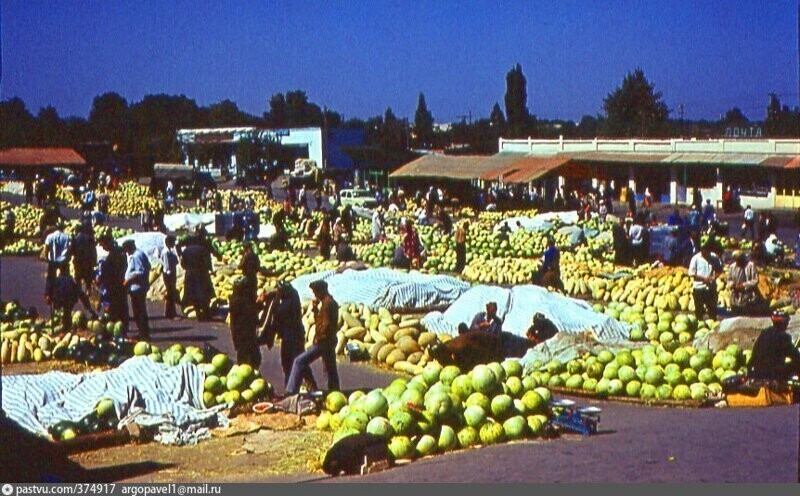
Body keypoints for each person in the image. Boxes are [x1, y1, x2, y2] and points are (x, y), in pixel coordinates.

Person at [285, 281, 340, 395]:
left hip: (323, 342)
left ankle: (291, 391)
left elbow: (326, 325)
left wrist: (318, 339)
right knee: (330, 369)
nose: (314, 295)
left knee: (299, 361)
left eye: (315, 292)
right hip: (328, 341)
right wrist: (315, 311)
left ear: (321, 291)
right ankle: (334, 392)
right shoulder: (327, 303)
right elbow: (321, 322)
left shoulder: (328, 304)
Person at [266, 282, 317, 389]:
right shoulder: (293, 295)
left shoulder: (287, 305)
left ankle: (292, 387)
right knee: (296, 362)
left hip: (292, 338)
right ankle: (298, 385)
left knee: (293, 362)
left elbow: (276, 316)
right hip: (293, 336)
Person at [747, 311, 800, 382]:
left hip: (757, 373)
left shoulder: (764, 333)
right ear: (785, 323)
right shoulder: (784, 337)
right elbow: (795, 356)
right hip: (772, 375)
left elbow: (753, 357)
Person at [47, 266, 97, 331]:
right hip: (67, 299)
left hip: (61, 299)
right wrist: (91, 310)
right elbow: (81, 295)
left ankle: (62, 324)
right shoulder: (70, 280)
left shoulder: (58, 280)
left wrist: (49, 295)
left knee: (65, 311)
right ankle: (65, 325)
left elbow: (50, 291)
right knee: (67, 311)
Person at [178, 235, 215, 321]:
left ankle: (198, 314)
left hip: (190, 275)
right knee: (204, 295)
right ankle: (206, 314)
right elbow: (207, 263)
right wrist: (209, 269)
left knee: (193, 295)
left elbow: (183, 264)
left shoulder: (186, 251)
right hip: (202, 274)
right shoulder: (203, 250)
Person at [97, 235, 129, 332]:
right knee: (122, 306)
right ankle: (122, 327)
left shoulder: (113, 255)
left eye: (103, 245)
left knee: (116, 308)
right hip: (120, 284)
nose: (103, 248)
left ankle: (118, 329)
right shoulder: (119, 252)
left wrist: (100, 279)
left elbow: (109, 271)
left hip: (115, 286)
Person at [228, 277, 262, 369]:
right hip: (245, 332)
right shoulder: (242, 301)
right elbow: (252, 311)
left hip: (240, 333)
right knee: (252, 356)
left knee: (244, 355)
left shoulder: (235, 299)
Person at [122, 240, 151, 340]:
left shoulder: (136, 256)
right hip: (138, 287)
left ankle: (143, 334)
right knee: (140, 311)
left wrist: (128, 281)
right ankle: (142, 333)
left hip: (137, 288)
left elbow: (139, 272)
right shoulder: (140, 253)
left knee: (139, 312)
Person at [688, 240, 718, 320]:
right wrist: (704, 279)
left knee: (712, 311)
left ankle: (713, 327)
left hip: (711, 289)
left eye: (707, 249)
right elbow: (692, 273)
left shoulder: (714, 257)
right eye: (703, 250)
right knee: (699, 311)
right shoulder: (695, 259)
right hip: (699, 289)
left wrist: (714, 277)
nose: (705, 252)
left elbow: (719, 269)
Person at [727, 251, 761, 316]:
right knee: (735, 313)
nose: (738, 263)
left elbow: (755, 280)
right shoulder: (732, 267)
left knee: (746, 314)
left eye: (739, 260)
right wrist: (731, 284)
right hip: (735, 295)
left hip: (747, 295)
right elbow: (729, 279)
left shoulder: (750, 265)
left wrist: (743, 285)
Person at [44, 223, 71, 300]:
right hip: (63, 262)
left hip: (53, 262)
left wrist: (46, 258)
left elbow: (46, 249)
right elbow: (69, 248)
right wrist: (68, 257)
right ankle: (66, 294)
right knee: (66, 278)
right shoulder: (66, 237)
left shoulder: (50, 237)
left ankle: (48, 295)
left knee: (50, 278)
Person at [71, 222, 97, 295]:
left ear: (76, 231)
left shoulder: (75, 239)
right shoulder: (89, 238)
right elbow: (93, 250)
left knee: (78, 276)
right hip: (88, 260)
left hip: (78, 261)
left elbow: (72, 250)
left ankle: (78, 291)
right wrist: (94, 260)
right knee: (88, 276)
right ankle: (88, 290)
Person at [161, 235, 180, 320]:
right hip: (169, 275)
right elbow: (167, 265)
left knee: (171, 294)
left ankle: (171, 312)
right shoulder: (166, 252)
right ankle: (170, 314)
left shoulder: (170, 251)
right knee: (170, 294)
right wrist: (170, 273)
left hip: (171, 273)